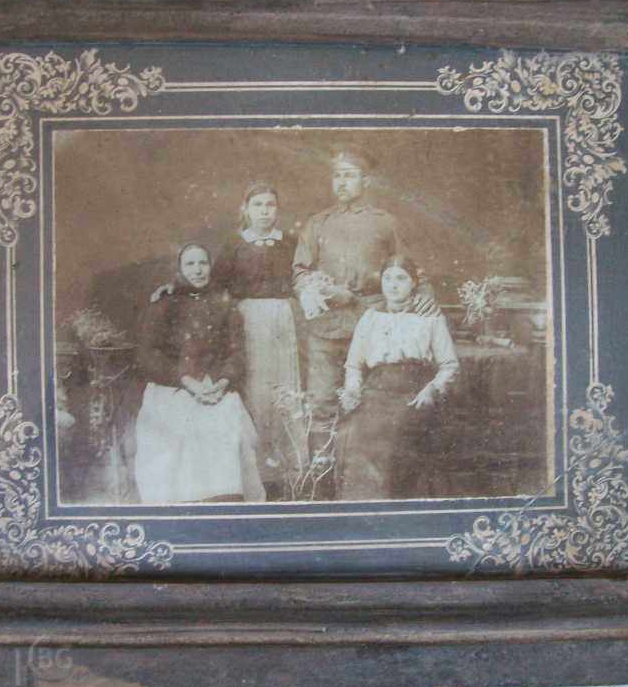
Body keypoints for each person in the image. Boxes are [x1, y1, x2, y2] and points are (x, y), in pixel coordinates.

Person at [292, 149, 436, 496]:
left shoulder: (384, 222)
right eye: (337, 176)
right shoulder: (317, 223)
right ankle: (322, 487)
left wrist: (425, 293)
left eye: (350, 175)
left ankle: (364, 489)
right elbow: (300, 271)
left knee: (370, 406)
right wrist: (313, 289)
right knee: (323, 403)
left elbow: (409, 267)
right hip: (325, 329)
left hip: (371, 325)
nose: (342, 182)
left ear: (365, 181)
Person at [133, 243, 265, 503]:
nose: (197, 270)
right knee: (177, 434)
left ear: (210, 266)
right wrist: (186, 381)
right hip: (174, 385)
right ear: (180, 269)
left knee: (227, 430)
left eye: (202, 263)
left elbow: (236, 352)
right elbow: (148, 355)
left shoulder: (224, 303)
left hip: (215, 384)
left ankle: (224, 500)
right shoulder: (164, 303)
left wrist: (224, 381)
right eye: (190, 264)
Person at [337, 255, 459, 500]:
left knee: (396, 444)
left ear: (414, 283)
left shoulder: (430, 317)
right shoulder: (370, 317)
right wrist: (352, 391)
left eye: (401, 279)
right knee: (354, 438)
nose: (393, 285)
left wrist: (431, 390)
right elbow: (353, 365)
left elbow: (449, 365)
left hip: (413, 394)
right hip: (375, 392)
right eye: (387, 278)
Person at [214, 183, 302, 500]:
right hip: (248, 322)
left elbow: (302, 278)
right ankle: (257, 475)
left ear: (278, 209)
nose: (265, 211)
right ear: (246, 209)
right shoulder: (235, 246)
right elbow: (215, 287)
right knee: (255, 390)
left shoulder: (290, 243)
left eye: (270, 205)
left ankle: (286, 472)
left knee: (285, 387)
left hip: (284, 321)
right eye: (258, 205)